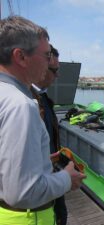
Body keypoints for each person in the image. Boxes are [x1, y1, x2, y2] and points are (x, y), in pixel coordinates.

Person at [0, 16, 86, 225]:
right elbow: (23, 193)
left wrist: (38, 159)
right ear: (21, 57)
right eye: (46, 55)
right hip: (26, 218)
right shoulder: (21, 105)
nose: (49, 63)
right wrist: (67, 178)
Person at [31, 45, 68, 225]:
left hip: (50, 173)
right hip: (39, 186)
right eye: (54, 70)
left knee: (60, 214)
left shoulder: (43, 98)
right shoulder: (26, 102)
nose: (57, 76)